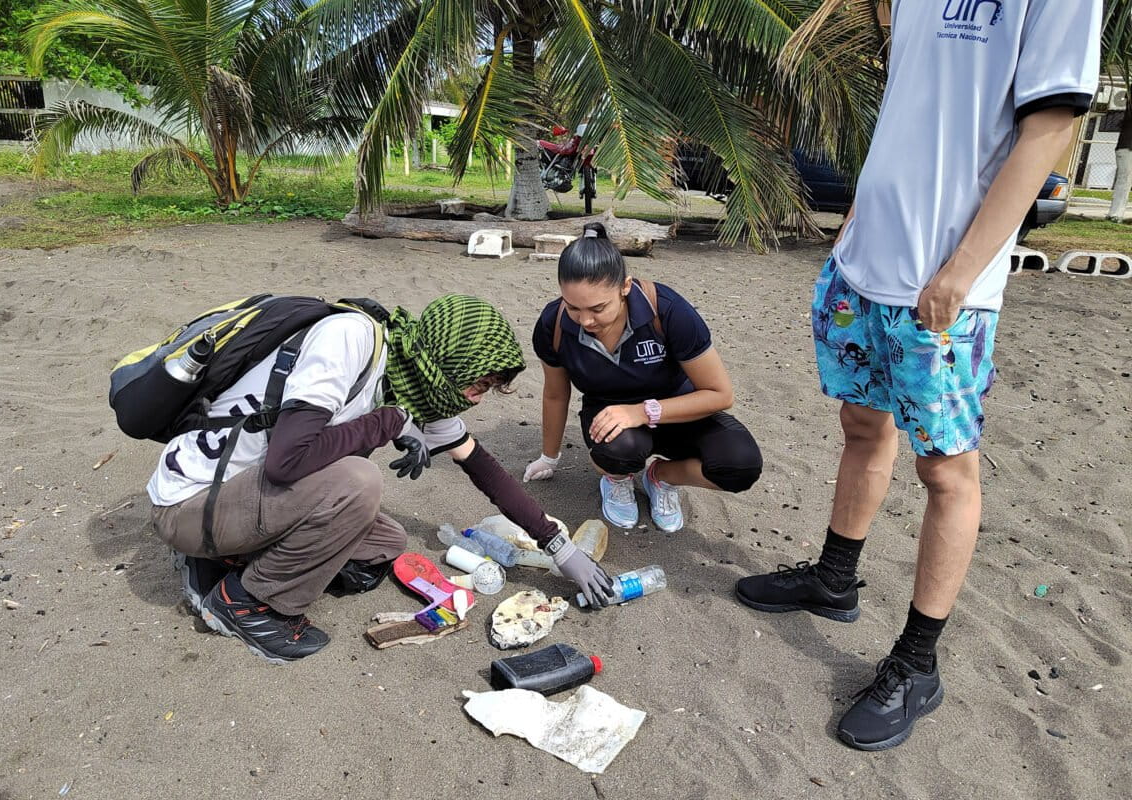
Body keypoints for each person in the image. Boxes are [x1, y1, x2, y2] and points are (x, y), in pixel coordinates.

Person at [735, 0, 1101, 751]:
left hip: (944, 287)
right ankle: (834, 579)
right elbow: (917, 107)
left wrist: (964, 270)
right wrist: (854, 227)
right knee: (861, 428)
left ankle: (917, 663)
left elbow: (1050, 125)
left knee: (947, 473)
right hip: (862, 264)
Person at [147, 294, 613, 664]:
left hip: (243, 500)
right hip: (194, 502)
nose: (477, 398)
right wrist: (387, 423)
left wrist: (558, 546)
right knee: (359, 483)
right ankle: (245, 601)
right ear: (450, 357)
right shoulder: (350, 342)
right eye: (478, 382)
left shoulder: (419, 386)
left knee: (384, 543)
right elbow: (286, 462)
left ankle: (223, 559)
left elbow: (483, 467)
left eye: (488, 388)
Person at [525, 223, 762, 532]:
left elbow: (720, 394)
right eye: (573, 307)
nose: (585, 320)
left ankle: (660, 477)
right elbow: (556, 394)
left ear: (625, 286)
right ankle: (617, 480)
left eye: (598, 308)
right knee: (617, 449)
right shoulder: (553, 324)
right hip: (610, 415)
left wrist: (640, 411)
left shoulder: (667, 310)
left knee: (740, 464)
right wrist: (549, 457)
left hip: (678, 409)